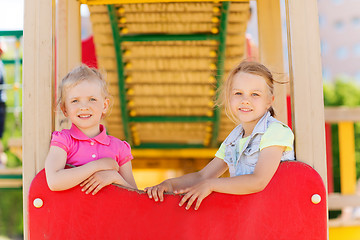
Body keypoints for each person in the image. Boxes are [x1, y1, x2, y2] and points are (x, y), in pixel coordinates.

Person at [145, 61, 294, 210]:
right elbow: (203, 176)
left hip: (275, 215)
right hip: (250, 216)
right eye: (238, 93)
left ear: (269, 101)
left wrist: (211, 185)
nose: (245, 100)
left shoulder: (275, 131)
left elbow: (258, 181)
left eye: (255, 94)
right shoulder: (234, 138)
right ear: (229, 98)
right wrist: (169, 184)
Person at [45, 65, 137, 195]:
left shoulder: (119, 148)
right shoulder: (63, 140)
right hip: (73, 215)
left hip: (110, 215)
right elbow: (54, 181)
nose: (84, 107)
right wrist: (98, 165)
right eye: (75, 101)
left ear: (104, 105)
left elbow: (135, 197)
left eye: (92, 99)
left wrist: (114, 177)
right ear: (64, 108)